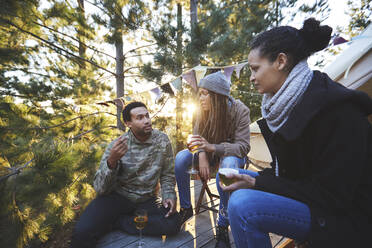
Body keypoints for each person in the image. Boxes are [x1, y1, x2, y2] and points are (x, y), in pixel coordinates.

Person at [219, 18, 372, 248]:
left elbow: (331, 197)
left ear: (281, 61)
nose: (251, 77)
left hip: (347, 219)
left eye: (255, 69)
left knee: (244, 206)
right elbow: (291, 173)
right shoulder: (287, 106)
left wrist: (257, 183)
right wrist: (252, 179)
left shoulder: (337, 110)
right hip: (317, 200)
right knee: (237, 178)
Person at [70, 101, 180, 248]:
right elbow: (100, 188)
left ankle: (118, 222)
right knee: (82, 232)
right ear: (128, 123)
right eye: (140, 118)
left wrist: (169, 195)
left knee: (173, 223)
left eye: (147, 116)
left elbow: (167, 174)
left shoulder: (162, 140)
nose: (147, 120)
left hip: (146, 200)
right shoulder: (118, 146)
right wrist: (112, 161)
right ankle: (124, 220)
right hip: (117, 198)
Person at [175, 71, 251, 248]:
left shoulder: (240, 110)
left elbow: (243, 146)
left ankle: (223, 223)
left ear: (217, 96)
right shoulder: (202, 110)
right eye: (199, 93)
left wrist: (213, 148)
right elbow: (196, 136)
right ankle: (186, 208)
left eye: (204, 93)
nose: (200, 98)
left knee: (228, 165)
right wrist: (201, 153)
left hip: (230, 155)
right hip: (207, 153)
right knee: (180, 158)